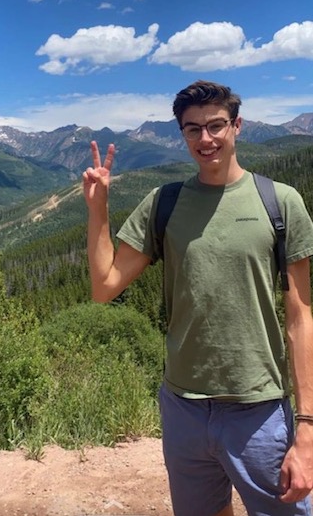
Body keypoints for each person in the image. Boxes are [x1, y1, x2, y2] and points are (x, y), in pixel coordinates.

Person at [82, 80, 313, 516]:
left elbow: (300, 317)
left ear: (237, 126)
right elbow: (104, 287)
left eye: (215, 126)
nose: (205, 139)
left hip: (259, 408)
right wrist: (98, 209)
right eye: (193, 130)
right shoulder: (163, 203)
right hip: (182, 408)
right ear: (182, 134)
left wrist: (307, 428)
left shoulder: (281, 203)